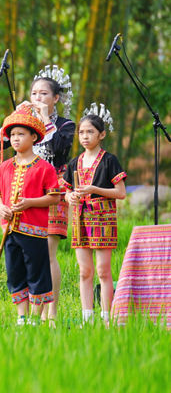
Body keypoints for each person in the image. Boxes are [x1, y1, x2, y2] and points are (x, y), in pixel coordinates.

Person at [0, 66, 75, 322]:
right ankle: (26, 314)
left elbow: (61, 148)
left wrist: (44, 119)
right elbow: (0, 144)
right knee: (23, 254)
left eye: (43, 94)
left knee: (46, 253)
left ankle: (50, 313)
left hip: (51, 189)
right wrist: (17, 115)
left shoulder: (65, 124)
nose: (37, 98)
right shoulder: (24, 123)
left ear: (56, 98)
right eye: (34, 93)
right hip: (22, 192)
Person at [0, 107, 60, 325]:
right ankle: (22, 317)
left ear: (33, 137)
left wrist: (30, 203)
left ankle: (36, 318)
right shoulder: (4, 167)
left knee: (37, 273)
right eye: (12, 135)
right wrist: (1, 208)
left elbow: (54, 197)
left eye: (21, 134)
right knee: (15, 273)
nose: (16, 139)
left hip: (35, 230)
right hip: (10, 230)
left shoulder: (45, 168)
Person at [62, 104, 127, 325]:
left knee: (103, 270)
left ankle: (107, 317)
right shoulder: (74, 162)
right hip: (80, 219)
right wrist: (69, 197)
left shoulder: (110, 160)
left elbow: (121, 193)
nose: (85, 136)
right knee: (84, 271)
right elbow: (66, 191)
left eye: (90, 132)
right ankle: (87, 318)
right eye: (81, 132)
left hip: (103, 219)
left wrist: (93, 189)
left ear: (102, 134)